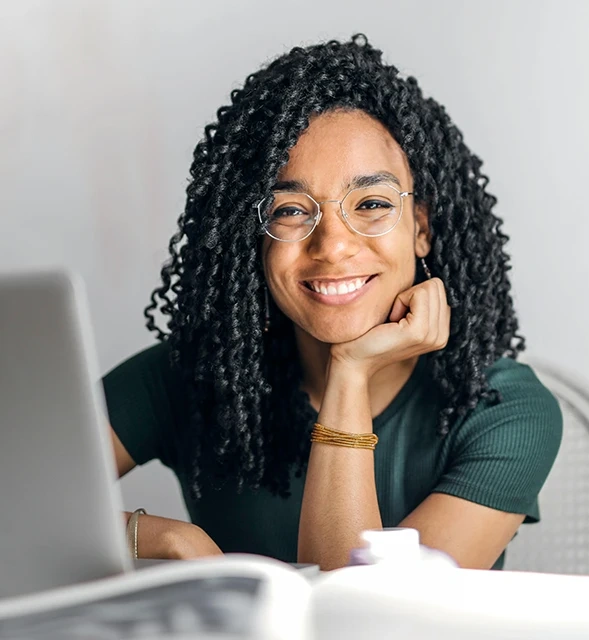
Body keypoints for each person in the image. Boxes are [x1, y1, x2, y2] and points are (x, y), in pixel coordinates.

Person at [103, 34, 562, 571]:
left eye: (370, 203)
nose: (334, 245)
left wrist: (350, 373)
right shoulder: (191, 375)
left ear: (422, 228)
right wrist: (157, 537)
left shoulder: (502, 409)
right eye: (291, 211)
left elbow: (365, 620)